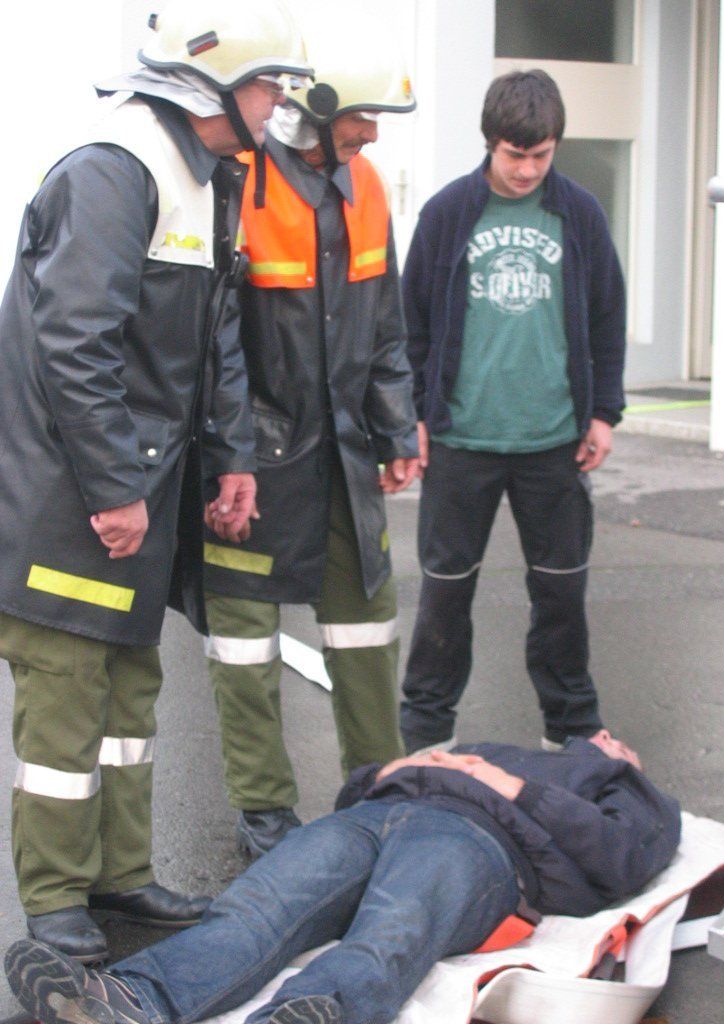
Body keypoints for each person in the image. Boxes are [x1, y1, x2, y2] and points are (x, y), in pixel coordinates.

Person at [0, 0, 311, 964]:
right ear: (211, 84)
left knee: (129, 697)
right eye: (269, 85)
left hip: (137, 497)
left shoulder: (206, 176)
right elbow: (74, 344)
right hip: (72, 506)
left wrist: (233, 461)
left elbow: (215, 338)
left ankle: (120, 874)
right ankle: (56, 899)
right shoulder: (113, 170)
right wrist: (112, 489)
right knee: (66, 704)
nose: (279, 103)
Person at [5, 730, 681, 1024]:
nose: (604, 736)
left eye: (617, 741)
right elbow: (354, 788)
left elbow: (620, 858)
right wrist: (393, 770)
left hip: (480, 840)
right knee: (256, 907)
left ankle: (313, 1012)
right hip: (377, 814)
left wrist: (508, 787)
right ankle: (127, 1000)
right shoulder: (495, 746)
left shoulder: (624, 784)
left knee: (393, 930)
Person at [202, 4, 420, 859]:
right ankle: (264, 811)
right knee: (243, 640)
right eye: (363, 118)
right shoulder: (238, 184)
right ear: (320, 108)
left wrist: (396, 430)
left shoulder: (367, 186)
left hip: (343, 453)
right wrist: (230, 453)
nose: (373, 135)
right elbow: (216, 339)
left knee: (367, 625)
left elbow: (387, 323)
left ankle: (379, 788)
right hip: (254, 456)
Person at [399, 70, 627, 755]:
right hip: (460, 440)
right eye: (514, 154)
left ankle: (572, 729)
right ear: (490, 143)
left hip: (554, 441)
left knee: (560, 597)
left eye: (541, 155)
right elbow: (411, 323)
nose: (527, 169)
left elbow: (607, 316)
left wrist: (604, 412)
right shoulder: (447, 214)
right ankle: (427, 734)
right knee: (445, 596)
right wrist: (413, 414)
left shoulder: (580, 213)